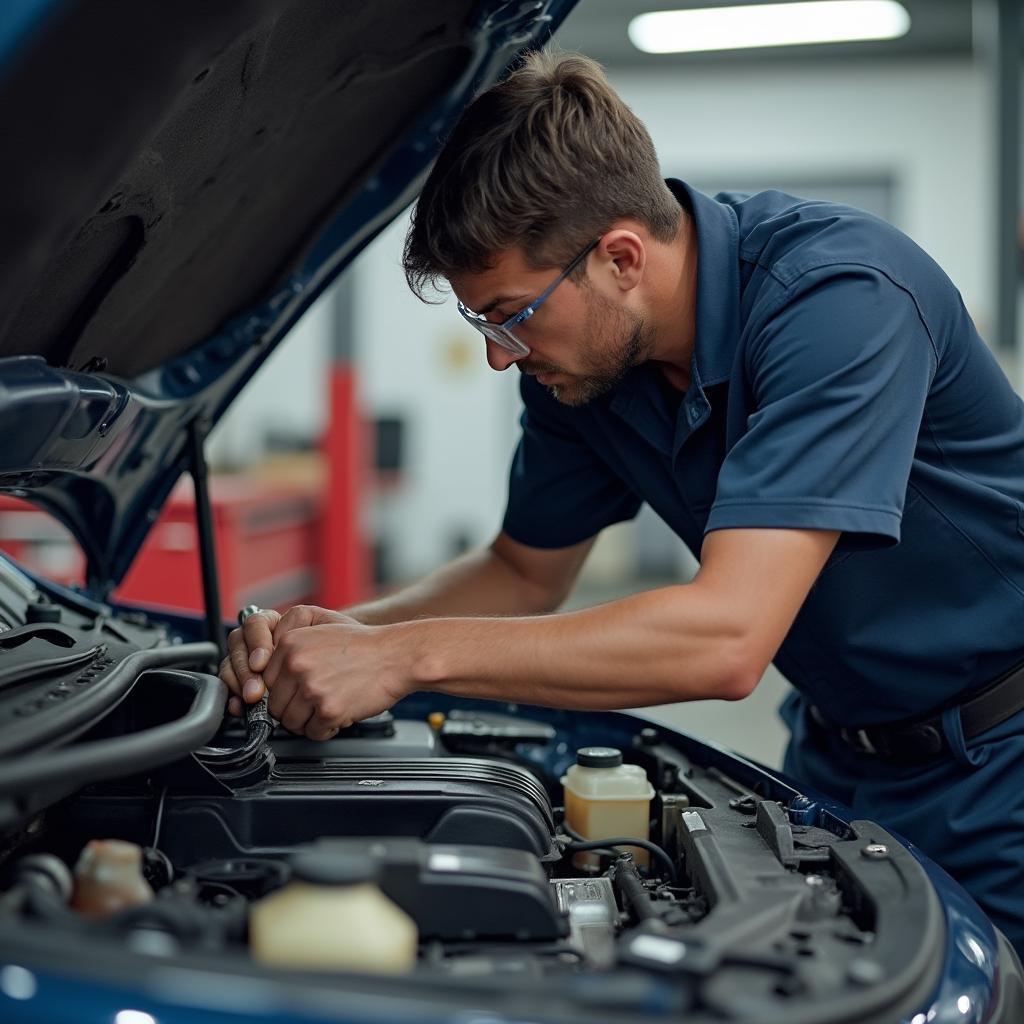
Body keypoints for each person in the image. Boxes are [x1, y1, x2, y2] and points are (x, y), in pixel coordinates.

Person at [220, 51, 1024, 955]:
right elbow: (521, 573)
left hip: (1000, 763)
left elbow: (725, 640)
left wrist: (403, 658)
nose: (497, 355)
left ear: (622, 258)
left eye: (512, 314)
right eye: (481, 322)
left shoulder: (839, 300)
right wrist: (336, 639)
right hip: (837, 751)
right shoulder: (586, 373)